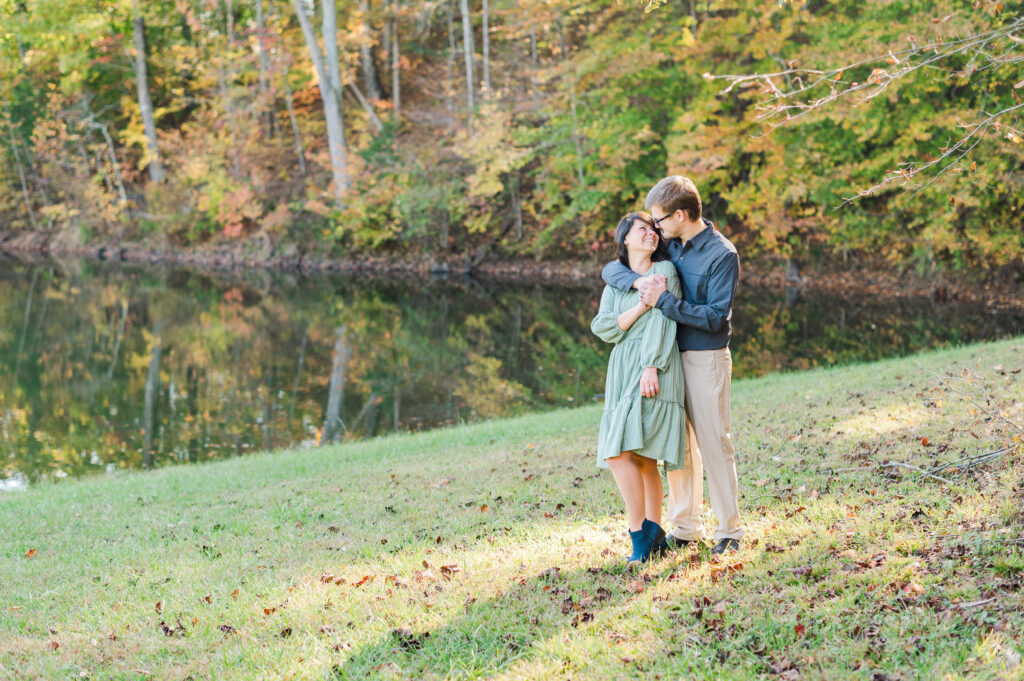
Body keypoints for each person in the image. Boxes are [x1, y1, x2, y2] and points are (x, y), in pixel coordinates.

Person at [602, 176, 743, 556]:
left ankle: (729, 530)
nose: (656, 227)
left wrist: (662, 300)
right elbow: (613, 268)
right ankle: (685, 527)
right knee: (678, 450)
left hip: (704, 358)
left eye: (659, 220)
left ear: (680, 214)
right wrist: (639, 286)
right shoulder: (671, 245)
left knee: (714, 444)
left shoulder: (722, 254)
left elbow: (716, 318)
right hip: (668, 362)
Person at [591, 212, 687, 563]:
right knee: (640, 457)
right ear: (626, 239)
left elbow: (664, 320)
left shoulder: (664, 272)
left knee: (623, 454)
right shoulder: (617, 283)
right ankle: (655, 533)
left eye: (653, 230)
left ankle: (639, 533)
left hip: (652, 364)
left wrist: (652, 365)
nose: (651, 234)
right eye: (642, 230)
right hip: (621, 369)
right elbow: (603, 328)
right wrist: (640, 306)